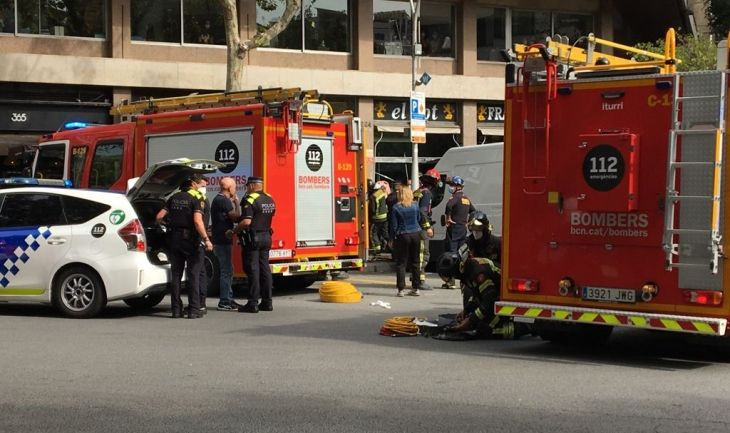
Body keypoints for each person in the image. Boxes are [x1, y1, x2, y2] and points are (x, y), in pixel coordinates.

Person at [156, 177, 213, 319]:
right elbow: (197, 221)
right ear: (193, 185)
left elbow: (159, 217)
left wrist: (168, 224)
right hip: (191, 240)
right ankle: (194, 309)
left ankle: (176, 309)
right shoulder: (195, 198)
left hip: (175, 239)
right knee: (193, 273)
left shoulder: (173, 198)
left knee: (176, 274)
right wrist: (206, 239)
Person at [232, 176, 276, 313]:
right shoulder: (269, 198)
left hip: (253, 238)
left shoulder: (250, 199)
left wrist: (233, 231)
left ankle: (252, 303)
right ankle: (267, 302)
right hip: (266, 236)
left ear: (251, 186)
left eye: (247, 186)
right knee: (265, 269)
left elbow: (246, 222)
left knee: (253, 270)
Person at [389, 186, 433, 297]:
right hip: (416, 234)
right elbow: (419, 218)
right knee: (416, 261)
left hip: (403, 235)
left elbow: (394, 226)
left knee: (401, 263)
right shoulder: (415, 205)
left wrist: (391, 239)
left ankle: (401, 289)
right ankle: (416, 287)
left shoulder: (396, 207)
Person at [212, 177, 241, 311]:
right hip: (223, 240)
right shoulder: (224, 200)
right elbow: (236, 216)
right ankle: (224, 301)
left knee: (228, 270)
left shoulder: (218, 199)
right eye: (234, 187)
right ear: (229, 188)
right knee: (226, 271)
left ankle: (228, 298)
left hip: (220, 239)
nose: (235, 189)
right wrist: (236, 202)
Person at [442, 175, 475, 289]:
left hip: (454, 228)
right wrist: (468, 221)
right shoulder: (466, 199)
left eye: (452, 185)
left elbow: (448, 206)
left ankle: (451, 281)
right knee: (462, 255)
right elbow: (473, 211)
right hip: (462, 229)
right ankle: (463, 281)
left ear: (457, 186)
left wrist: (448, 218)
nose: (450, 187)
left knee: (451, 254)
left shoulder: (455, 197)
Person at [413, 169, 440, 288]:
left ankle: (415, 276)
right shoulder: (427, 193)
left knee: (416, 253)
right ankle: (420, 280)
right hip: (421, 228)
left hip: (413, 226)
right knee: (423, 254)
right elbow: (422, 211)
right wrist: (427, 226)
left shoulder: (418, 192)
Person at [188, 174, 211, 315]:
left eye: (205, 186)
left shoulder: (201, 199)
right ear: (194, 184)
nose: (204, 188)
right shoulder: (201, 199)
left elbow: (198, 221)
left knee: (198, 272)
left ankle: (199, 304)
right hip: (198, 238)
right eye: (203, 185)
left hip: (197, 238)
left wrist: (204, 238)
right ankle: (200, 303)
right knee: (199, 271)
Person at [369, 181, 389, 254]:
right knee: (384, 233)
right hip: (385, 217)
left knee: (373, 233)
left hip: (377, 218)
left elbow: (373, 209)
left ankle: (376, 248)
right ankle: (388, 246)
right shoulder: (382, 193)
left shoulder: (373, 196)